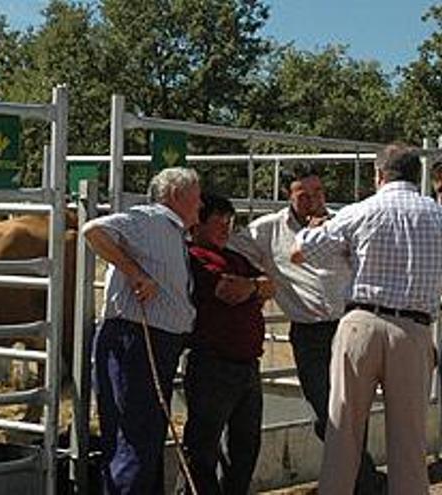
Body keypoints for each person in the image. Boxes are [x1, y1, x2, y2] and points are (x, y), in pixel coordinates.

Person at [292, 144, 442, 494]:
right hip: (414, 328)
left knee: (343, 429)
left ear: (379, 175)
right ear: (413, 174)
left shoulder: (360, 211)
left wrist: (322, 230)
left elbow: (300, 252)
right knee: (409, 438)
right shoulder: (435, 215)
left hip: (361, 321)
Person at [228, 165, 383, 493]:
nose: (314, 200)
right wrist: (254, 285)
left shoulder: (343, 222)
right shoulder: (268, 230)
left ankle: (353, 483)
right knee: (328, 413)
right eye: (304, 195)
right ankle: (370, 483)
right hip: (310, 332)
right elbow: (230, 249)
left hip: (350, 325)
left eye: (318, 193)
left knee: (353, 410)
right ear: (289, 195)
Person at [85, 167, 201, 494]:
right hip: (137, 339)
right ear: (177, 196)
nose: (200, 204)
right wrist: (135, 274)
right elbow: (94, 230)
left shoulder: (171, 230)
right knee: (135, 435)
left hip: (152, 340)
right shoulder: (151, 219)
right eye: (197, 196)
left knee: (144, 435)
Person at [182, 192, 275, 495]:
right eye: (217, 222)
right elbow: (227, 290)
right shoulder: (194, 257)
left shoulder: (234, 258)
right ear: (197, 225)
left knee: (246, 445)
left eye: (229, 222)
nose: (225, 228)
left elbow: (269, 284)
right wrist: (254, 288)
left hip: (245, 364)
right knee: (203, 446)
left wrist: (251, 287)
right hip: (214, 362)